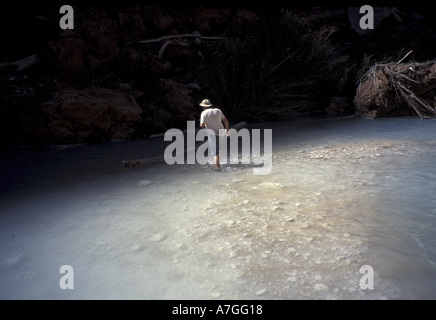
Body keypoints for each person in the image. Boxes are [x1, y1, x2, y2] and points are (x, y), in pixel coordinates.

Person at [199, 99, 229, 169]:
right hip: (221, 133)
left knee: (216, 154)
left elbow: (202, 125)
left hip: (212, 135)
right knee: (219, 150)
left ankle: (218, 169)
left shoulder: (204, 113)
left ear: (204, 107)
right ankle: (219, 164)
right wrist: (227, 129)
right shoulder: (218, 111)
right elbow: (225, 120)